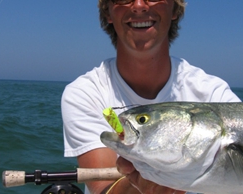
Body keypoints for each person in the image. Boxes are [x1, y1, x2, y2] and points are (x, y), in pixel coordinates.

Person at [61, 0, 241, 193]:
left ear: (174, 9)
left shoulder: (213, 93)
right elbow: (102, 188)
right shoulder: (86, 93)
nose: (139, 5)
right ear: (108, 12)